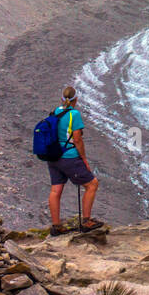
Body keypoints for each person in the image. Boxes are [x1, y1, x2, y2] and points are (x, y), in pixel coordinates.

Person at [47, 86, 103, 233]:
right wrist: (84, 158)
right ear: (76, 99)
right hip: (69, 157)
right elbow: (77, 139)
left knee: (56, 190)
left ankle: (56, 226)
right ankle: (86, 221)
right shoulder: (74, 114)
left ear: (62, 99)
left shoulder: (55, 112)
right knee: (92, 184)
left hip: (53, 157)